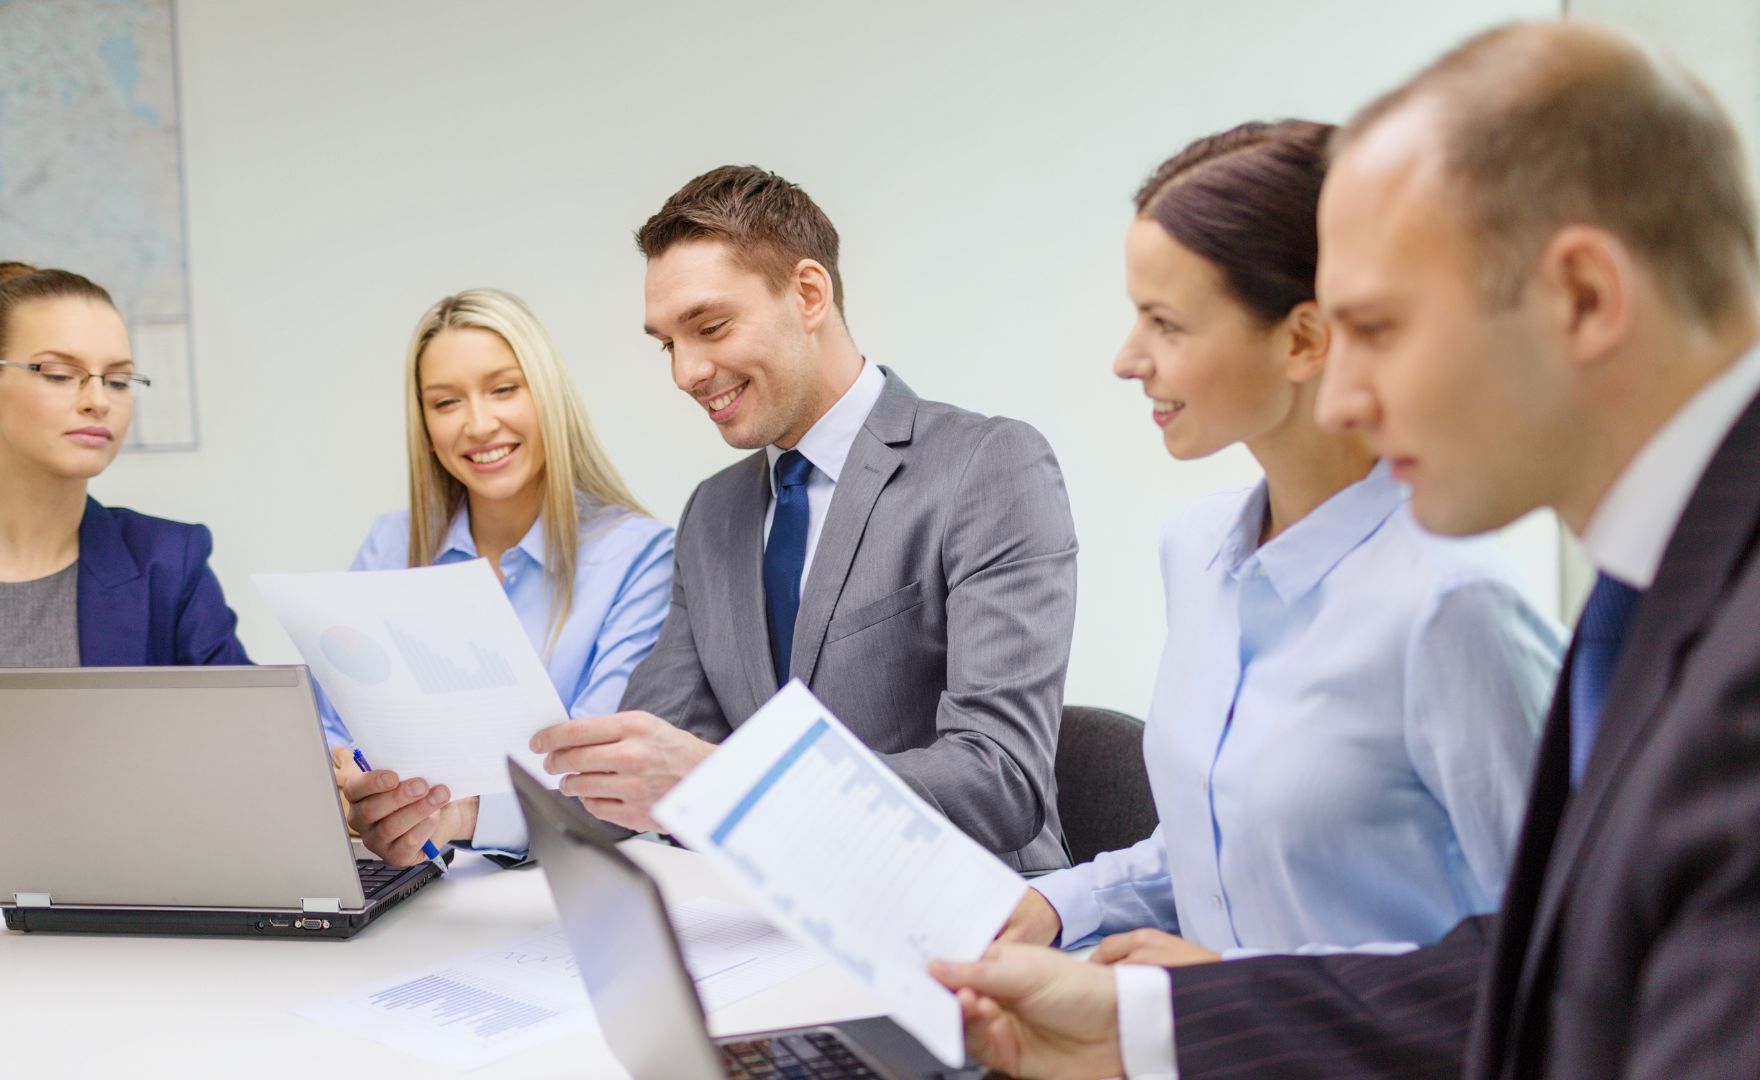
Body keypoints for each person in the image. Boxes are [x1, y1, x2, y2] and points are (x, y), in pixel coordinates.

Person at [932, 21, 1760, 1079]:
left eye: (1380, 329)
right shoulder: (1656, 590)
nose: (1346, 397)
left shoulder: (1532, 606)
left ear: (1585, 298)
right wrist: (1162, 1020)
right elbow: (1555, 969)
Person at [348, 165, 1080, 869]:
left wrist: (725, 778)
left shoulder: (986, 466)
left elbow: (999, 780)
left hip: (978, 920)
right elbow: (631, 773)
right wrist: (460, 816)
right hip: (773, 919)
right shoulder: (714, 513)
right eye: (669, 343)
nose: (686, 372)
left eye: (711, 326)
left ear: (809, 294)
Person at [1000, 120, 1563, 963]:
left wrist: (1225, 992)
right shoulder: (1197, 549)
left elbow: (1558, 952)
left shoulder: (1453, 602)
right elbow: (1222, 845)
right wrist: (1055, 902)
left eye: (1165, 323)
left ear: (1303, 340)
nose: (1127, 359)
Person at [0, 262, 249, 880]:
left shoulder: (169, 561)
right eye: (59, 374)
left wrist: (13, 802)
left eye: (118, 380)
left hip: (125, 905)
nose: (98, 400)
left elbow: (243, 769)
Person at [330, 289, 673, 865]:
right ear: (425, 425)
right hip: (399, 879)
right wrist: (350, 788)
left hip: (555, 881)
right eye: (446, 402)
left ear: (548, 397)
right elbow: (333, 729)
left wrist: (459, 814)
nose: (479, 424)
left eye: (504, 389)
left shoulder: (640, 558)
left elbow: (599, 772)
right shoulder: (388, 546)